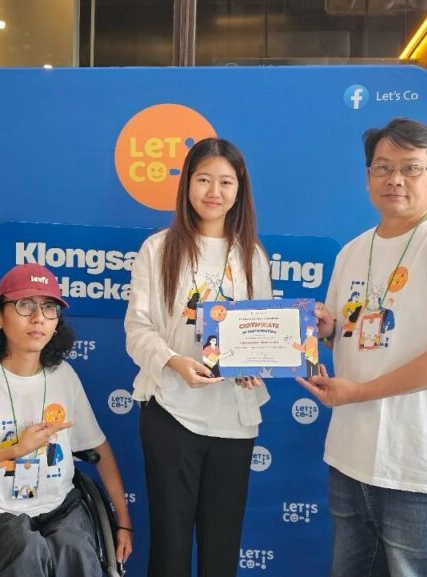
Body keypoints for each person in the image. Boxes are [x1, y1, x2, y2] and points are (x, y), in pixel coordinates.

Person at [297, 118, 427, 577]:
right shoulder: (351, 252)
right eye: (383, 167)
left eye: (410, 167)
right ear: (369, 176)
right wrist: (327, 329)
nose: (395, 179)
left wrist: (360, 392)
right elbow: (351, 332)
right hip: (349, 455)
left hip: (416, 464)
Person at [0, 263, 133, 577]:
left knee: (74, 549)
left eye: (49, 307)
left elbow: (99, 450)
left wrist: (123, 523)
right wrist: (13, 450)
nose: (38, 318)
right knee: (25, 548)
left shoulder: (63, 376)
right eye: (24, 305)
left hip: (60, 509)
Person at [124, 137, 271, 577]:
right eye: (204, 179)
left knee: (221, 547)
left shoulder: (252, 256)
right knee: (170, 545)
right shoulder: (158, 249)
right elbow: (137, 329)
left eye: (226, 182)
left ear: (239, 190)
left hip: (233, 418)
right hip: (171, 412)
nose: (214, 191)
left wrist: (253, 366)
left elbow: (262, 330)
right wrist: (174, 361)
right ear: (187, 184)